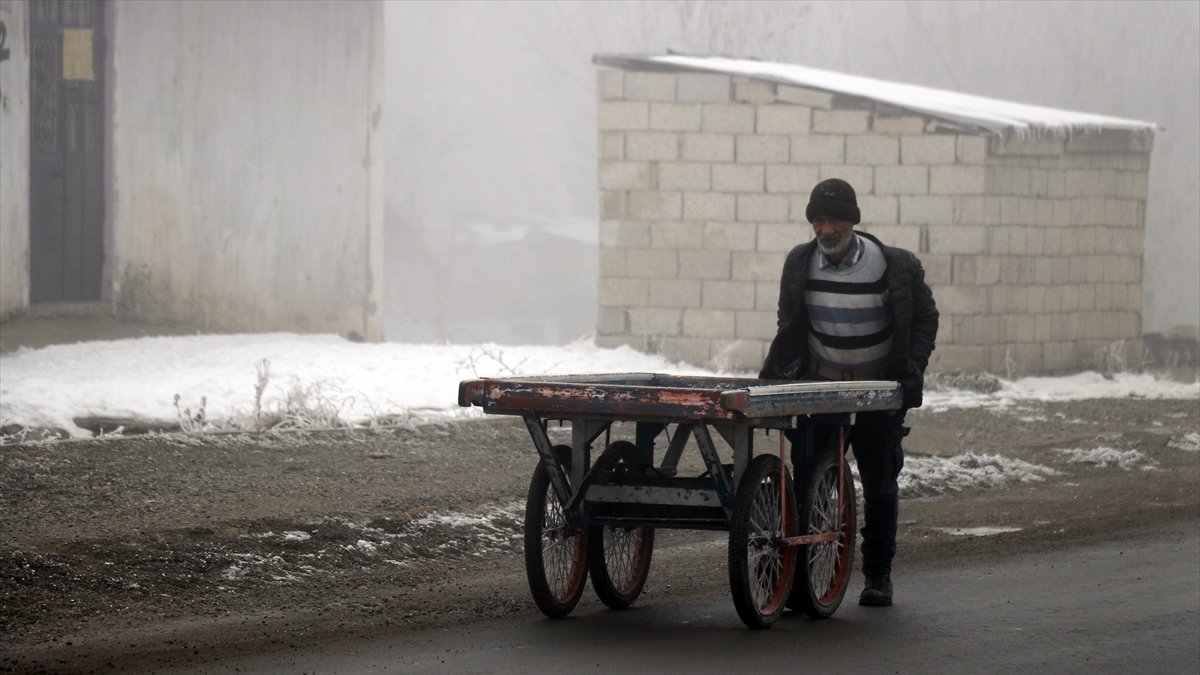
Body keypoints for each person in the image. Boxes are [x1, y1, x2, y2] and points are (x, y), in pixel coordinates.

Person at [759, 178, 939, 607]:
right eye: (818, 221)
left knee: (879, 487)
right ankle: (799, 583)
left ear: (852, 222)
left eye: (834, 219)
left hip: (878, 395)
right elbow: (790, 323)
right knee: (810, 485)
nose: (825, 230)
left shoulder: (894, 266)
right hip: (821, 393)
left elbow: (926, 318)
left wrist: (910, 370)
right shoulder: (800, 263)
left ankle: (878, 575)